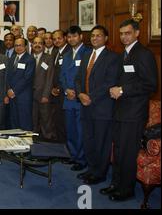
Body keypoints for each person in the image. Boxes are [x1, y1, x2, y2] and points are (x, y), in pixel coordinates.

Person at [102, 20, 158, 201]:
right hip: (119, 111)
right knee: (117, 150)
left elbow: (150, 84)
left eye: (127, 33)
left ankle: (126, 190)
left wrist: (123, 90)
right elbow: (122, 79)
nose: (124, 37)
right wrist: (114, 88)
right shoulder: (123, 55)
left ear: (137, 33)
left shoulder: (144, 54)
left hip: (134, 114)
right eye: (121, 34)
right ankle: (116, 184)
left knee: (127, 152)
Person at [74, 25, 120, 185]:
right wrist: (80, 94)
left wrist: (90, 97)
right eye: (92, 35)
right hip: (85, 105)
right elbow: (78, 78)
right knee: (89, 139)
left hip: (102, 107)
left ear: (106, 38)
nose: (94, 38)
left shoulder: (113, 57)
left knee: (101, 141)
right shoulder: (87, 55)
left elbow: (110, 82)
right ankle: (92, 169)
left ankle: (100, 173)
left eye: (98, 36)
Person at [60, 26, 92, 171]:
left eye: (74, 36)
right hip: (68, 98)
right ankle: (72, 155)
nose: (71, 39)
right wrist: (66, 90)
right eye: (69, 37)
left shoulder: (88, 53)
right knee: (70, 129)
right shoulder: (66, 55)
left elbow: (88, 77)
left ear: (81, 37)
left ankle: (81, 158)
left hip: (81, 99)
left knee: (81, 130)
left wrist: (77, 91)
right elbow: (62, 76)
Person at [6, 38, 35, 131]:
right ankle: (15, 142)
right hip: (12, 95)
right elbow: (8, 75)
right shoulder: (12, 58)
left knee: (24, 120)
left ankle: (25, 143)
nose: (18, 47)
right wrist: (9, 89)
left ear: (25, 46)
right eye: (16, 45)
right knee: (14, 119)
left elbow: (27, 78)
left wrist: (14, 91)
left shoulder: (30, 59)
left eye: (20, 45)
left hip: (23, 95)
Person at [32, 37, 55, 140]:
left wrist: (46, 95)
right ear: (32, 45)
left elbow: (50, 78)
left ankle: (47, 138)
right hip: (31, 95)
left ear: (43, 45)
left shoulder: (49, 58)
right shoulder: (29, 58)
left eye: (40, 43)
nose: (37, 45)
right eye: (35, 43)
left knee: (46, 118)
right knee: (33, 118)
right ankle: (35, 138)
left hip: (43, 94)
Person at [50, 30, 70, 143]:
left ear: (65, 38)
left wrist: (59, 87)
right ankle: (60, 143)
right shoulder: (56, 52)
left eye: (59, 38)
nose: (56, 41)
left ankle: (65, 145)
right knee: (58, 119)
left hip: (64, 92)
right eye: (54, 39)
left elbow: (67, 73)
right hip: (56, 92)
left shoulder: (68, 52)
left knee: (64, 121)